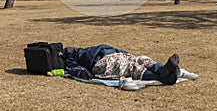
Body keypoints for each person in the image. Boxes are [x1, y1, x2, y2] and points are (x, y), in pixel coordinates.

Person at [63, 44, 191, 85]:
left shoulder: (84, 50)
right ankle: (163, 76)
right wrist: (81, 72)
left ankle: (164, 71)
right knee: (132, 67)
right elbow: (72, 68)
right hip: (104, 63)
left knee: (142, 59)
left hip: (120, 56)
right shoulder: (71, 58)